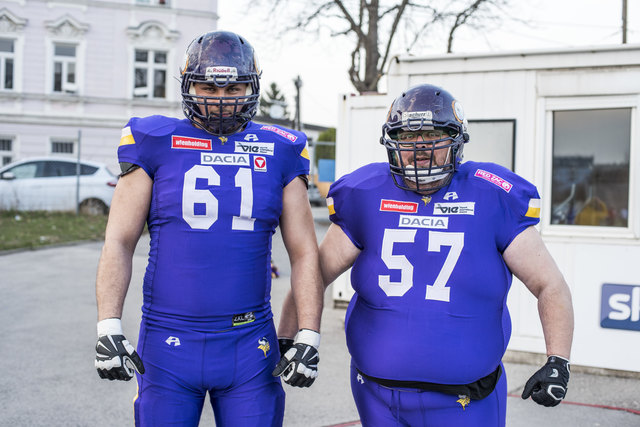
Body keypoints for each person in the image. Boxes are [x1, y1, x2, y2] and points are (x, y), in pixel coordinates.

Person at [277, 84, 574, 426]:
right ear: (392, 142)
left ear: (456, 141)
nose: (420, 148)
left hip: (466, 401)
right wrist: (293, 336)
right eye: (407, 136)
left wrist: (558, 360)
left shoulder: (493, 195)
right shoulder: (365, 193)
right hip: (376, 396)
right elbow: (314, 273)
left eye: (433, 135)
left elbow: (549, 283)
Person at [94, 31, 324, 427]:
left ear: (252, 86)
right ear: (188, 86)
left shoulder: (281, 148)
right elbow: (119, 240)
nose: (221, 98)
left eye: (234, 86)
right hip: (168, 341)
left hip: (250, 342)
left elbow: (304, 252)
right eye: (208, 86)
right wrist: (108, 323)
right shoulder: (156, 140)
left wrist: (308, 333)